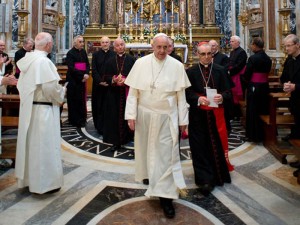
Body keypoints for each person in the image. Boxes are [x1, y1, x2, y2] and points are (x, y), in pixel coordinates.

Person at [125, 33, 190, 218]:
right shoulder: (141, 64)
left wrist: (183, 120)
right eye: (158, 47)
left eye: (165, 47)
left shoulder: (177, 66)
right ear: (152, 46)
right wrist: (131, 115)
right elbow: (134, 93)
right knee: (146, 151)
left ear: (170, 47)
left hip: (167, 117)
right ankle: (151, 178)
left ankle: (166, 197)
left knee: (165, 156)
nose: (161, 51)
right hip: (145, 115)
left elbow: (181, 97)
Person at [15, 32, 66, 194]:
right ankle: (45, 184)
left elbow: (20, 86)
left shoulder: (27, 60)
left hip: (30, 108)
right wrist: (62, 94)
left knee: (31, 145)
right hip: (43, 110)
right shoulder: (44, 62)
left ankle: (30, 180)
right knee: (45, 146)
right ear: (49, 45)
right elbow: (50, 88)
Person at [186, 42, 232, 197]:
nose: (206, 57)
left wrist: (222, 97)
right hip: (197, 116)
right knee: (199, 147)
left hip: (215, 116)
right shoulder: (191, 72)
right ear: (197, 54)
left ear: (212, 54)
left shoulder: (220, 70)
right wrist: (198, 99)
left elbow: (228, 92)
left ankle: (219, 175)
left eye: (209, 54)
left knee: (215, 144)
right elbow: (187, 94)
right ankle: (204, 179)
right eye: (202, 54)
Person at [102, 38, 135, 150]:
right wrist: (114, 80)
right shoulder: (110, 61)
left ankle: (129, 137)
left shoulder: (132, 60)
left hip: (128, 93)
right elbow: (105, 76)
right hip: (114, 94)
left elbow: (137, 76)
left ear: (124, 45)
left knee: (129, 115)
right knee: (114, 117)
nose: (120, 47)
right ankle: (115, 141)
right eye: (118, 45)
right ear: (114, 47)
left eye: (122, 44)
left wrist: (126, 80)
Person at [243, 37, 272, 142]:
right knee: (263, 109)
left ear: (255, 45)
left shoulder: (253, 58)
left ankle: (253, 135)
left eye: (251, 44)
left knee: (253, 110)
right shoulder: (268, 58)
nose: (251, 46)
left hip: (254, 86)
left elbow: (247, 74)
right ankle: (264, 134)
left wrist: (246, 82)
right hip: (264, 87)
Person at [281, 34, 300, 178]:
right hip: (295, 100)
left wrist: (295, 86)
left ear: (297, 45)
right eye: (285, 46)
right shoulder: (289, 59)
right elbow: (284, 77)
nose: (286, 48)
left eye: (288, 45)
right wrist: (286, 84)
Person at [91, 36, 116, 134]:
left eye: (107, 42)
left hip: (110, 85)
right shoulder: (96, 55)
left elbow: (115, 69)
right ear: (100, 44)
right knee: (99, 106)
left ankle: (109, 126)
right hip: (98, 85)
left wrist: (110, 81)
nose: (105, 44)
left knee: (109, 106)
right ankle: (99, 126)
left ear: (109, 44)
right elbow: (94, 70)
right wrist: (100, 81)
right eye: (103, 42)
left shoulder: (114, 54)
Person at [209, 39, 233, 133]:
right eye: (210, 46)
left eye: (214, 45)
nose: (212, 48)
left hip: (221, 85)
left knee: (223, 110)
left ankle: (225, 128)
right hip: (211, 85)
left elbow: (225, 70)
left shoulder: (223, 57)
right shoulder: (208, 56)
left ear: (217, 46)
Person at [66, 35, 90, 128]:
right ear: (75, 43)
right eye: (80, 42)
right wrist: (82, 76)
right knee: (74, 100)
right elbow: (71, 68)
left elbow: (87, 64)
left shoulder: (83, 52)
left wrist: (87, 73)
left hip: (82, 79)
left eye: (82, 42)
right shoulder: (70, 53)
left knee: (81, 100)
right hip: (73, 80)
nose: (82, 43)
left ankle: (82, 119)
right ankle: (74, 120)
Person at [229, 35, 247, 119]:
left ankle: (238, 113)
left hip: (239, 77)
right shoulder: (232, 52)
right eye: (231, 41)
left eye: (232, 41)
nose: (230, 43)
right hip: (232, 75)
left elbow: (240, 65)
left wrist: (230, 71)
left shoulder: (242, 52)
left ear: (238, 42)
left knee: (238, 96)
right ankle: (233, 113)